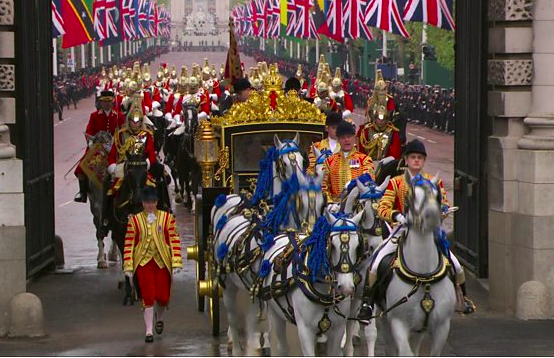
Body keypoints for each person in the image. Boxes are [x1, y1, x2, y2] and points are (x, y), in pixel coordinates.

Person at [357, 139, 475, 320]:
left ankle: (463, 299)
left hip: (428, 232)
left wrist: (441, 211)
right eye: (413, 157)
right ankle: (367, 303)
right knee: (376, 262)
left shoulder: (433, 182)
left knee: (457, 266)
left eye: (420, 157)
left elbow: (443, 203)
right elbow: (383, 207)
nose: (416, 161)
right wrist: (396, 216)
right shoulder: (396, 182)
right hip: (402, 231)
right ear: (406, 159)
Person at [123, 186, 182, 342]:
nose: (150, 205)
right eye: (147, 202)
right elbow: (129, 243)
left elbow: (174, 240)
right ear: (143, 203)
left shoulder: (167, 218)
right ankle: (149, 331)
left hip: (162, 261)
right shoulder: (134, 220)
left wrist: (176, 262)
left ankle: (159, 317)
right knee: (148, 296)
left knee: (163, 297)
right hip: (143, 263)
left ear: (157, 202)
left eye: (153, 202)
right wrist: (128, 265)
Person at [74, 90, 125, 203]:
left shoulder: (119, 116)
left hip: (114, 148)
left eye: (109, 102)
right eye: (104, 102)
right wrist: (93, 142)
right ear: (101, 103)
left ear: (112, 102)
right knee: (81, 168)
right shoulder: (94, 116)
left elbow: (123, 132)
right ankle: (82, 193)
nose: (107, 104)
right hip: (98, 147)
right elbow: (89, 131)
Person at [322, 121, 374, 202]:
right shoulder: (329, 162)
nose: (346, 140)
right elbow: (323, 186)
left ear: (354, 138)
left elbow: (369, 183)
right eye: (343, 137)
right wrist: (330, 203)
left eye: (349, 137)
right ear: (338, 139)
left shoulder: (365, 160)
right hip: (335, 207)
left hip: (357, 205)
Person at [357, 70, 401, 161]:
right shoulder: (371, 100)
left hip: (386, 120)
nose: (382, 92)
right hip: (374, 121)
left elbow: (391, 110)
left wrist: (386, 115)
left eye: (383, 90)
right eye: (380, 90)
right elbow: (369, 112)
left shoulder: (389, 99)